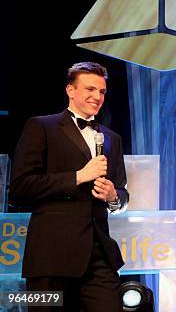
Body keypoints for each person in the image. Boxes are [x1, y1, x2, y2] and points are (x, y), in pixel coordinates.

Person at [9, 62, 129, 312]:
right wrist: (78, 176)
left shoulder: (112, 139)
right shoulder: (41, 126)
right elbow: (20, 187)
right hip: (50, 256)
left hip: (99, 256)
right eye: (89, 89)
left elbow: (121, 193)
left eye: (102, 91)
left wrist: (113, 197)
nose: (97, 97)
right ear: (70, 91)